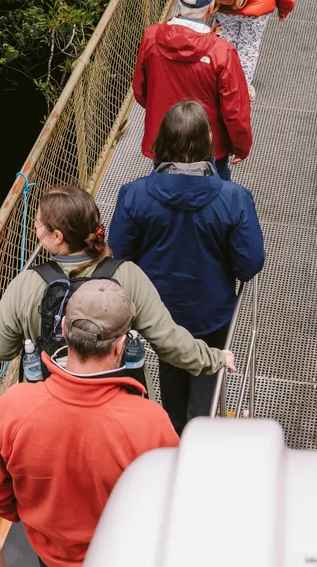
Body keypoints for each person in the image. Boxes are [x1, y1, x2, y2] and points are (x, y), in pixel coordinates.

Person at [0, 279, 179, 567]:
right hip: (124, 558)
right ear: (119, 346)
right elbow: (173, 503)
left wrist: (31, 515)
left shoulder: (14, 407)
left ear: (65, 330)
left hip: (55, 558)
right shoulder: (149, 423)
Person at [109, 102, 262, 434]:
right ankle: (199, 436)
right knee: (206, 389)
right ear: (209, 141)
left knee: (171, 375)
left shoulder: (134, 195)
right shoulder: (235, 199)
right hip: (213, 312)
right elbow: (249, 263)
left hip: (157, 313)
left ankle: (174, 434)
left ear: (162, 142)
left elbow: (119, 255)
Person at [0, 183, 234, 380]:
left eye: (39, 225)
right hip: (116, 394)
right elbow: (168, 340)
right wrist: (215, 358)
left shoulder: (26, 284)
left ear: (58, 237)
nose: (36, 228)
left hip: (52, 400)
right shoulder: (127, 275)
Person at [132, 0, 252, 180]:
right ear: (213, 6)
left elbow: (141, 91)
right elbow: (234, 109)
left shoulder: (151, 37)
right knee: (215, 199)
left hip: (165, 137)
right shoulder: (222, 52)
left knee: (163, 192)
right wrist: (241, 146)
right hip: (207, 144)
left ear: (179, 1)